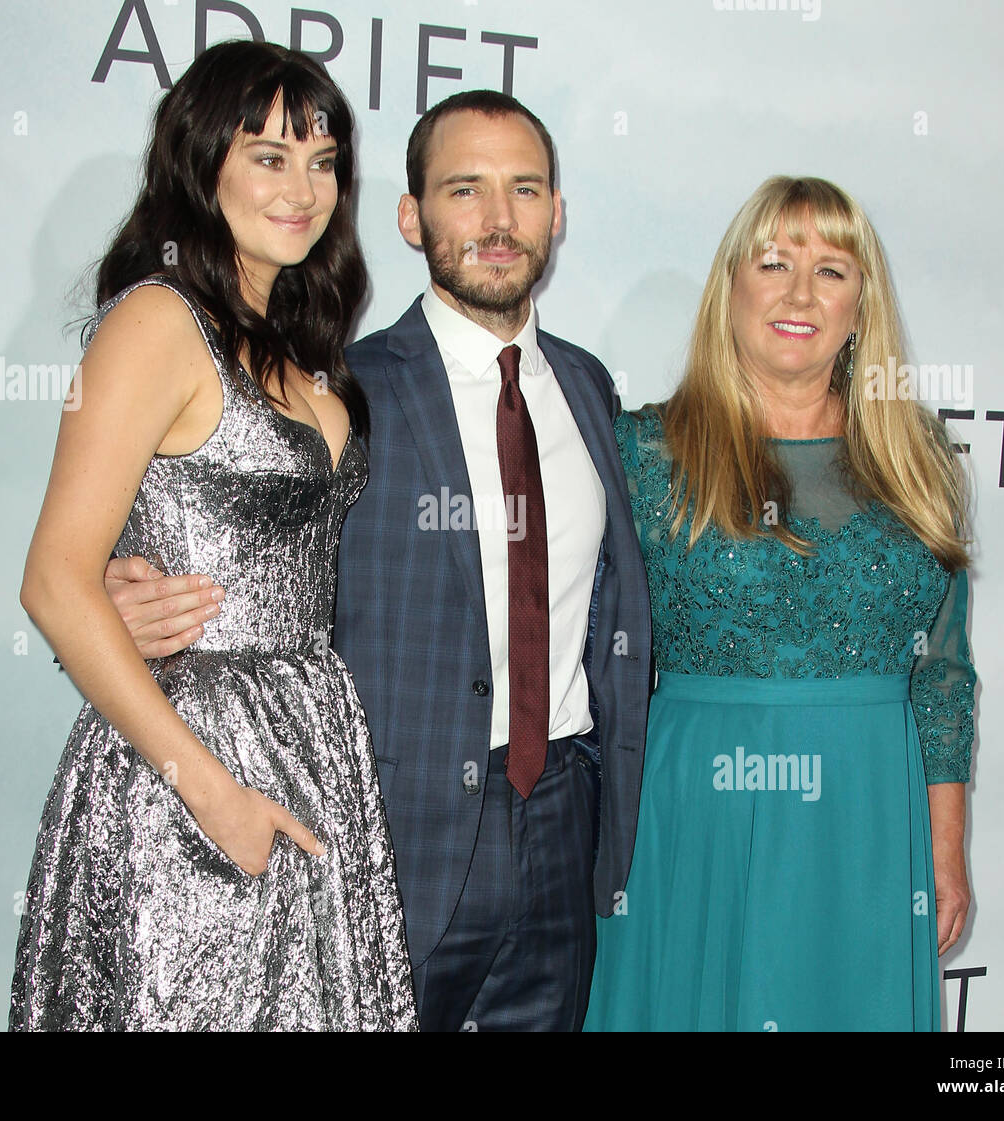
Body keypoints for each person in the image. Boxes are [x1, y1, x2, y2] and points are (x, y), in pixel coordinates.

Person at [106, 91, 653, 1031]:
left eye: (524, 189)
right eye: (463, 190)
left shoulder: (591, 389)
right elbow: (233, 533)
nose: (496, 219)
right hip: (386, 835)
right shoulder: (339, 390)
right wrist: (128, 580)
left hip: (564, 822)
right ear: (411, 217)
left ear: (558, 214)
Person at [9, 40, 417, 1031]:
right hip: (187, 758)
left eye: (322, 160)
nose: (304, 188)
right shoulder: (155, 322)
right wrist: (208, 788)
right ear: (202, 162)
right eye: (269, 155)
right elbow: (55, 581)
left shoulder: (300, 341)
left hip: (312, 735)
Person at [584, 176, 975, 1031]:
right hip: (696, 810)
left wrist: (945, 848)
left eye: (832, 270)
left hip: (868, 815)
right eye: (774, 263)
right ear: (731, 290)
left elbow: (943, 675)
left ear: (861, 305)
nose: (801, 293)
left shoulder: (920, 458)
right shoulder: (645, 450)